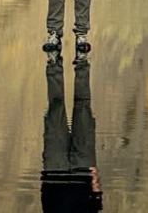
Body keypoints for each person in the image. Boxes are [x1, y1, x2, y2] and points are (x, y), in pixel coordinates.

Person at [41, 53, 103, 212]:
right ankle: (82, 61)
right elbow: (96, 200)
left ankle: (53, 61)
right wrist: (94, 173)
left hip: (54, 172)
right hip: (83, 170)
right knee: (82, 107)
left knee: (55, 108)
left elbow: (46, 199)